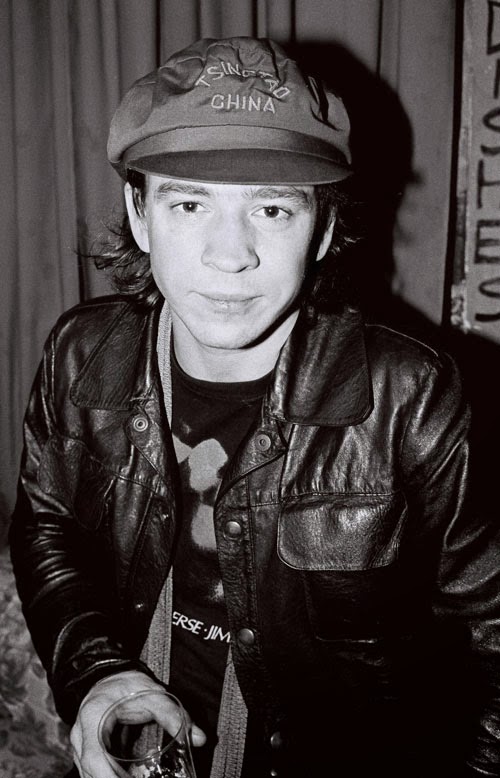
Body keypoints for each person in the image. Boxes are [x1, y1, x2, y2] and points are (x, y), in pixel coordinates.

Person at [9, 36, 500, 778]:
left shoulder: (413, 396)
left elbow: (490, 643)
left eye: (271, 208)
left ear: (323, 228)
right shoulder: (82, 354)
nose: (230, 255)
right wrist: (100, 674)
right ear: (139, 215)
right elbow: (47, 527)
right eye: (189, 203)